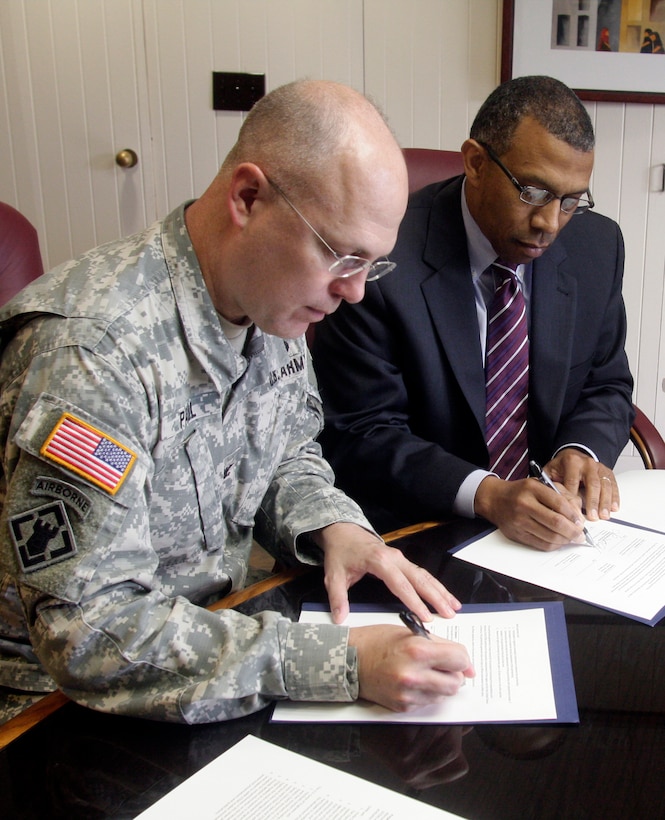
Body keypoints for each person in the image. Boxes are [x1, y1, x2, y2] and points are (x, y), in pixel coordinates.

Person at [0, 79, 474, 725]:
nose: (356, 292)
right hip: (58, 710)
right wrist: (339, 663)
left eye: (374, 264)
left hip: (216, 644)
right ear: (247, 198)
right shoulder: (90, 354)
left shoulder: (269, 301)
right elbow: (92, 636)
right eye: (342, 256)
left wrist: (334, 527)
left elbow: (286, 452)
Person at [312, 76, 634, 552]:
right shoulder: (383, 255)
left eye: (570, 201)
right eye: (533, 192)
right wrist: (487, 494)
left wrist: (579, 450)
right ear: (476, 162)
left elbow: (606, 385)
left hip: (552, 535)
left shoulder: (596, 247)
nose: (549, 223)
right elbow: (361, 432)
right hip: (415, 528)